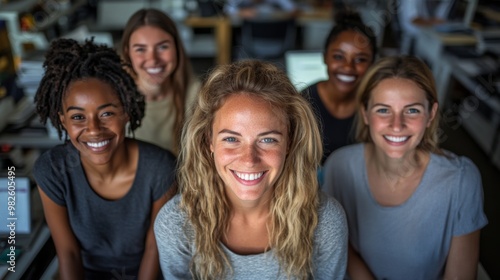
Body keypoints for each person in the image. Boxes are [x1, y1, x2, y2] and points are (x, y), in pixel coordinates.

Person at [154, 60, 348, 279]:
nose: (249, 159)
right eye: (231, 139)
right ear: (208, 140)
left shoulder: (324, 221)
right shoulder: (176, 223)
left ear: (290, 143)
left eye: (267, 139)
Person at [322, 55, 488, 280]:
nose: (397, 125)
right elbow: (343, 247)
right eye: (383, 110)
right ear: (365, 113)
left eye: (412, 110)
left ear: (430, 114)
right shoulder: (339, 166)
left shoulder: (461, 180)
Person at [33, 38, 176, 279]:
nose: (94, 129)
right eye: (78, 117)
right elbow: (68, 253)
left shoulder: (160, 168)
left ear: (126, 113)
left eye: (107, 113)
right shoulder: (52, 170)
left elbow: (155, 251)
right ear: (62, 121)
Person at [121, 8, 200, 155]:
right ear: (127, 52)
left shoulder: (198, 95)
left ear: (177, 48)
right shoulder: (113, 98)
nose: (153, 59)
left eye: (163, 47)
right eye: (140, 49)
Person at [302, 10, 377, 165]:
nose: (348, 67)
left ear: (372, 64)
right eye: (338, 57)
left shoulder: (376, 107)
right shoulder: (302, 103)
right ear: (324, 57)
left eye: (360, 59)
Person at [224, 0, 299, 19]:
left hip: (276, 37)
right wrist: (240, 12)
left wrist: (278, 15)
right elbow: (227, 10)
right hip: (248, 41)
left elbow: (293, 9)